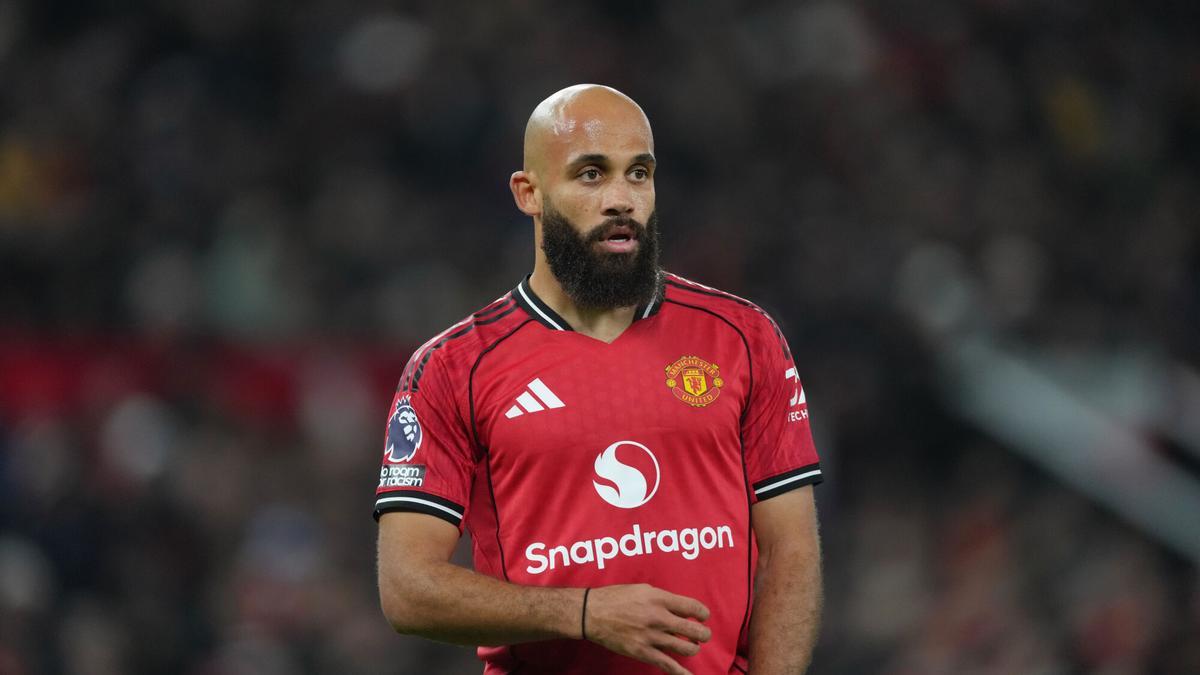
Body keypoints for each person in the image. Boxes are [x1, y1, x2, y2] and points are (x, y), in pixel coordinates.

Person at [374, 84, 823, 675]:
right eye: (591, 174)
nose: (621, 199)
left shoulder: (743, 337)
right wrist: (584, 612)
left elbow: (790, 552)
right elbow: (408, 590)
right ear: (529, 193)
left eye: (639, 174)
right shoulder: (451, 369)